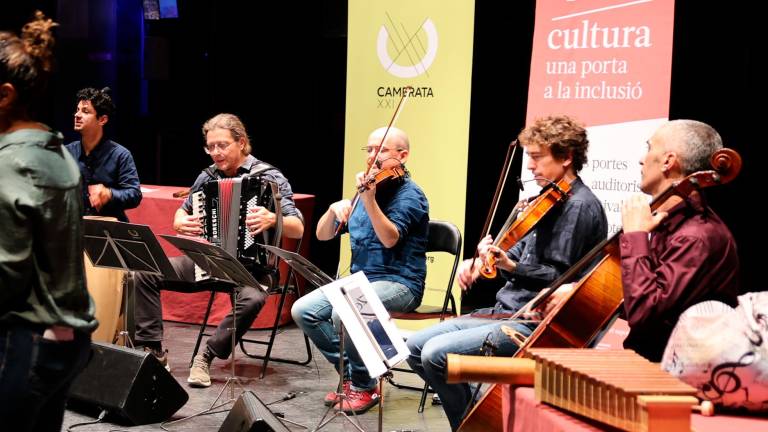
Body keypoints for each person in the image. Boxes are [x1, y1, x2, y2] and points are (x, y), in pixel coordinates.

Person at [405, 115, 607, 431]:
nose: (530, 167)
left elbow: (562, 278)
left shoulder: (579, 206)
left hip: (536, 325)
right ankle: (480, 417)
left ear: (566, 158)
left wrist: (511, 267)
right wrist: (485, 259)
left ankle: (476, 424)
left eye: (538, 158)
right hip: (504, 312)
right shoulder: (544, 201)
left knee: (434, 354)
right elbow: (513, 257)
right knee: (415, 347)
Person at [132, 113, 304, 387]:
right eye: (210, 146)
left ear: (242, 143)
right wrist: (179, 221)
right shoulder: (207, 176)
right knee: (144, 270)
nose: (215, 152)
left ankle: (207, 357)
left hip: (254, 269)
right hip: (211, 263)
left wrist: (274, 218)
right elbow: (183, 211)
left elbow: (298, 227)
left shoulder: (270, 177)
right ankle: (152, 351)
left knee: (253, 298)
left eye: (222, 145)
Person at [0, 12, 97, 431]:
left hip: (25, 343)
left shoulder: (11, 164)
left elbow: (7, 273)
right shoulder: (57, 151)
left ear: (5, 95)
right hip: (66, 342)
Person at [292, 126, 429, 414]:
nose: (372, 156)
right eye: (368, 150)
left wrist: (368, 200)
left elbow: (390, 238)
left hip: (400, 283)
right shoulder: (366, 190)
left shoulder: (410, 195)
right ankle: (353, 375)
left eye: (380, 150)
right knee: (303, 310)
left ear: (402, 156)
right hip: (358, 282)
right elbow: (322, 236)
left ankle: (363, 387)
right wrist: (333, 210)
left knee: (346, 311)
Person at [619, 119, 739, 362]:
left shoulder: (695, 237)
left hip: (670, 374)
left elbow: (645, 314)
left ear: (668, 161)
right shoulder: (671, 222)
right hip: (653, 362)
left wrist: (635, 237)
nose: (642, 159)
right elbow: (658, 298)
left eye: (649, 147)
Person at [65, 87, 142, 222]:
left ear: (102, 120)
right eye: (77, 110)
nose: (77, 115)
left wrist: (110, 194)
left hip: (109, 229)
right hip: (75, 228)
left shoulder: (120, 155)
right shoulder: (67, 152)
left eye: (85, 111)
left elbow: (134, 194)